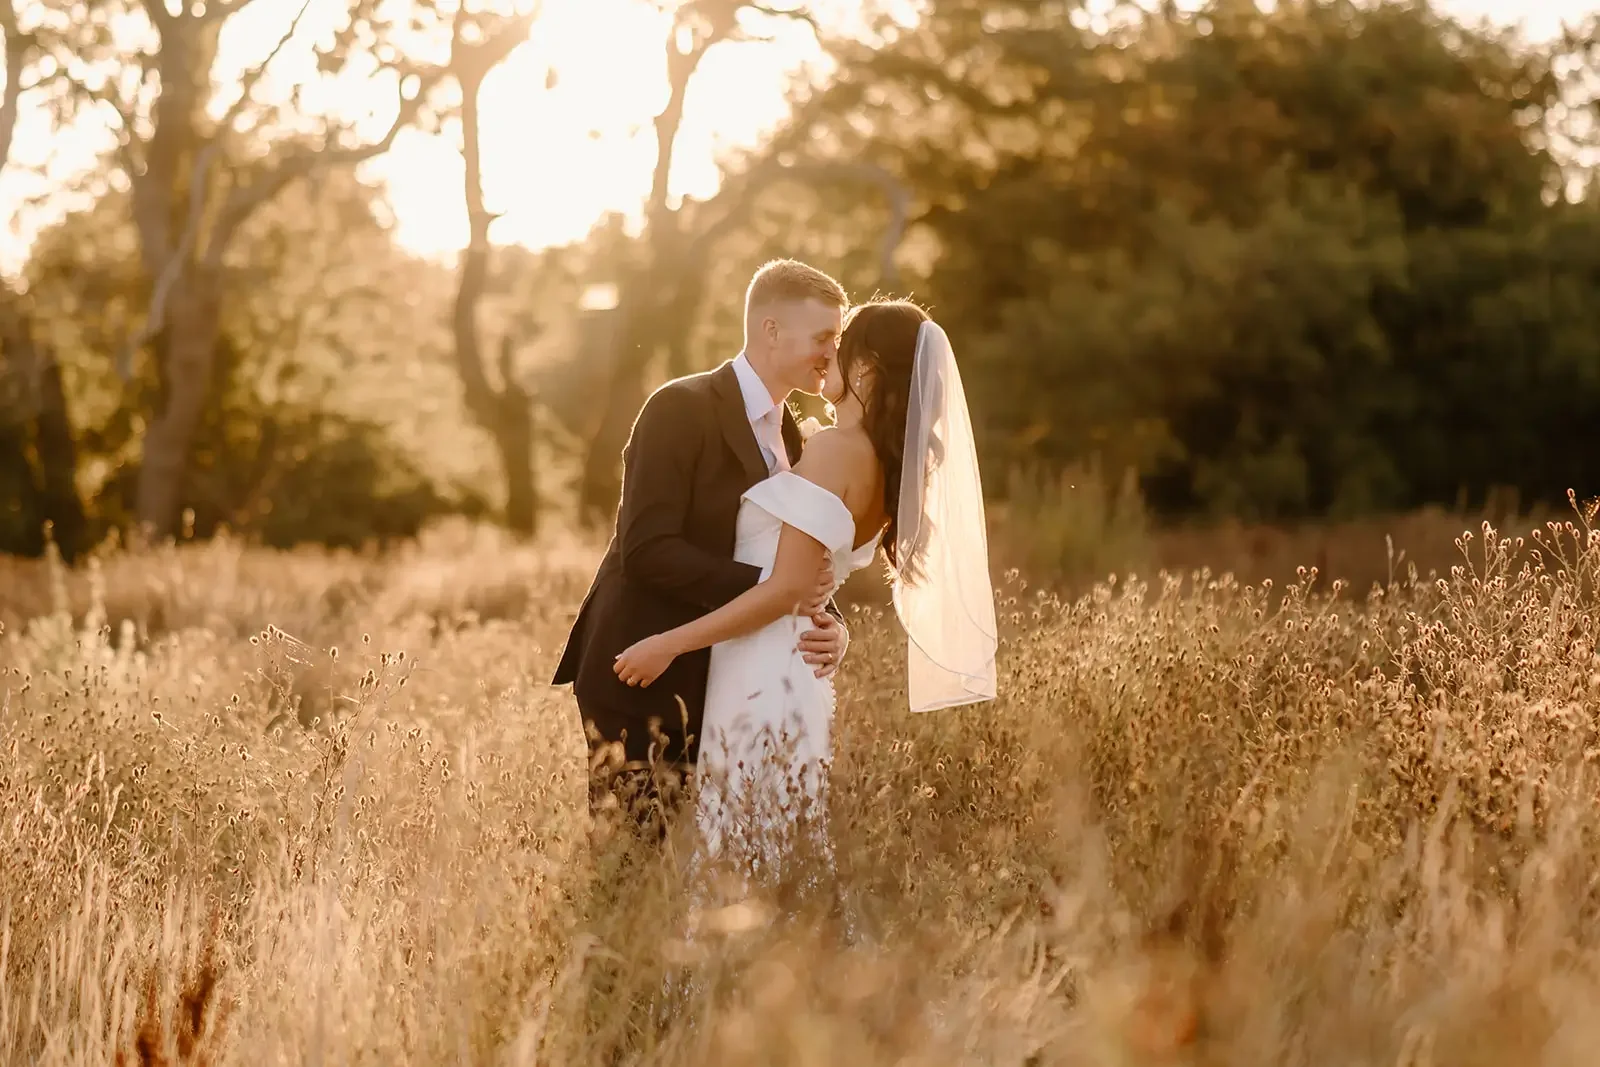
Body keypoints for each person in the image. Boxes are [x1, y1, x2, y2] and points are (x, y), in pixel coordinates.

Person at [612, 298, 999, 871]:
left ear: (867, 367)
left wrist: (669, 642)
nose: (827, 356)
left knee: (741, 848)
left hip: (760, 670)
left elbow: (789, 588)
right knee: (775, 842)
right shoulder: (877, 462)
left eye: (840, 347)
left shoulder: (833, 451)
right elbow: (806, 577)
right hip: (795, 669)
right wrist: (830, 622)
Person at [552, 259, 854, 827]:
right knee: (634, 859)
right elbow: (646, 548)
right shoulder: (680, 407)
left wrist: (831, 623)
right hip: (642, 667)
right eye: (823, 337)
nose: (831, 353)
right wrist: (777, 593)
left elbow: (785, 550)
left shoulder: (791, 430)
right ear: (770, 330)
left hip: (724, 674)